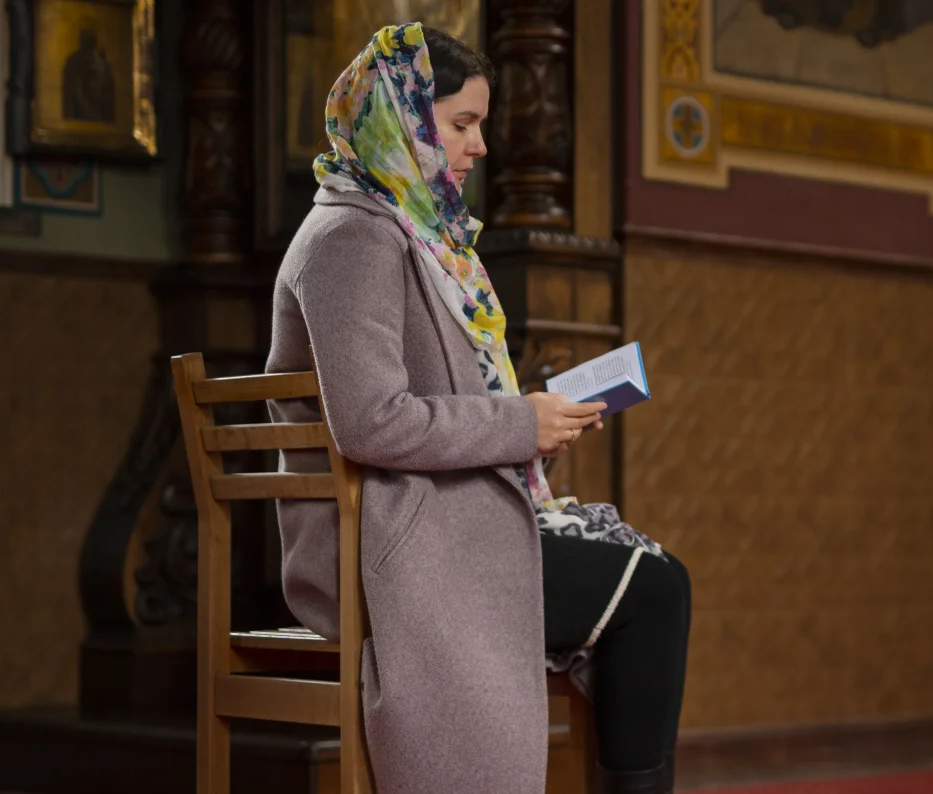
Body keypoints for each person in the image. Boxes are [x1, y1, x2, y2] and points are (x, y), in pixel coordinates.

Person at [265, 23, 690, 794]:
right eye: (461, 124)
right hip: (386, 545)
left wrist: (537, 422)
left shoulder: (406, 227)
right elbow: (370, 420)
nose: (480, 145)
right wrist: (517, 424)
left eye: (481, 124)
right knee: (654, 588)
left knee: (648, 581)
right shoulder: (352, 238)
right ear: (402, 122)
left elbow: (420, 406)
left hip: (422, 518)